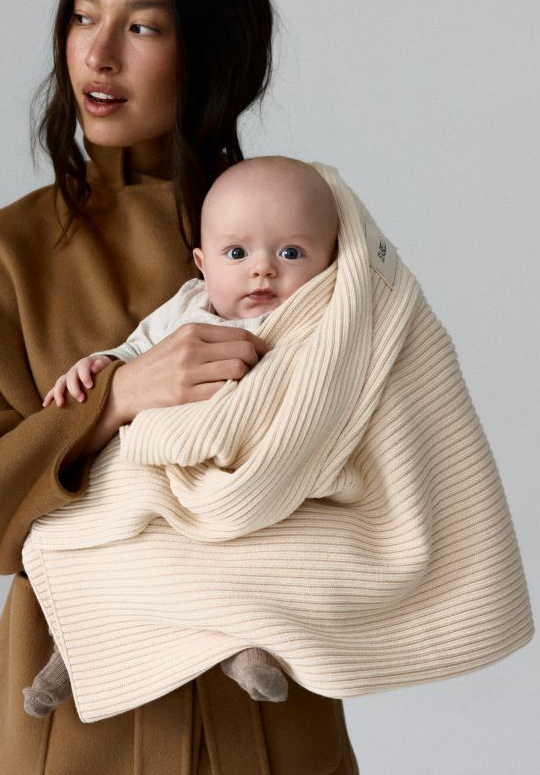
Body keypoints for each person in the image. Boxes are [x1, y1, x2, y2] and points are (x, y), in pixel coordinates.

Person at [0, 0, 360, 771]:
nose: (98, 52)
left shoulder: (309, 234)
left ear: (213, 49)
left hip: (265, 726)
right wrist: (115, 397)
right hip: (68, 734)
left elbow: (376, 451)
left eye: (143, 28)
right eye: (84, 16)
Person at [24, 156, 340, 718]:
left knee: (244, 560)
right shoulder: (188, 308)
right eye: (237, 254)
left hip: (242, 477)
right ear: (203, 263)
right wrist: (95, 366)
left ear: (331, 262)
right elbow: (133, 353)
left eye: (290, 253)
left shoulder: (314, 323)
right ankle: (72, 652)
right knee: (98, 544)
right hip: (158, 467)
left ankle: (242, 648)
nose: (262, 271)